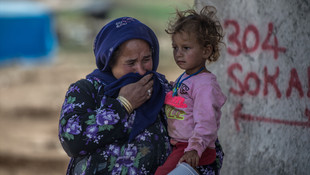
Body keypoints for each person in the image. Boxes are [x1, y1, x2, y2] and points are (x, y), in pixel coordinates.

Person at [58, 17, 172, 175]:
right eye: (131, 63)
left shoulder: (163, 90)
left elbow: (201, 141)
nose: (140, 70)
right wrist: (123, 105)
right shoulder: (86, 91)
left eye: (146, 59)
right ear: (109, 61)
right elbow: (72, 141)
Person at [155, 6, 226, 175]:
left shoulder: (205, 85)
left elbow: (206, 121)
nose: (178, 54)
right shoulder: (187, 76)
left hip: (192, 147)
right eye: (175, 48)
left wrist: (194, 148)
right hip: (179, 143)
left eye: (186, 48)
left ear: (206, 50)